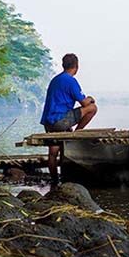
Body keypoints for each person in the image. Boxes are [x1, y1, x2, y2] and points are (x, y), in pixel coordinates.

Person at [40, 53, 97, 183]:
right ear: (76, 66)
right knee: (92, 107)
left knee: (53, 152)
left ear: (63, 65)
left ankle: (54, 181)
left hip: (49, 122)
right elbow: (84, 103)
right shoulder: (70, 80)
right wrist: (91, 98)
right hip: (60, 121)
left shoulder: (55, 80)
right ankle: (77, 132)